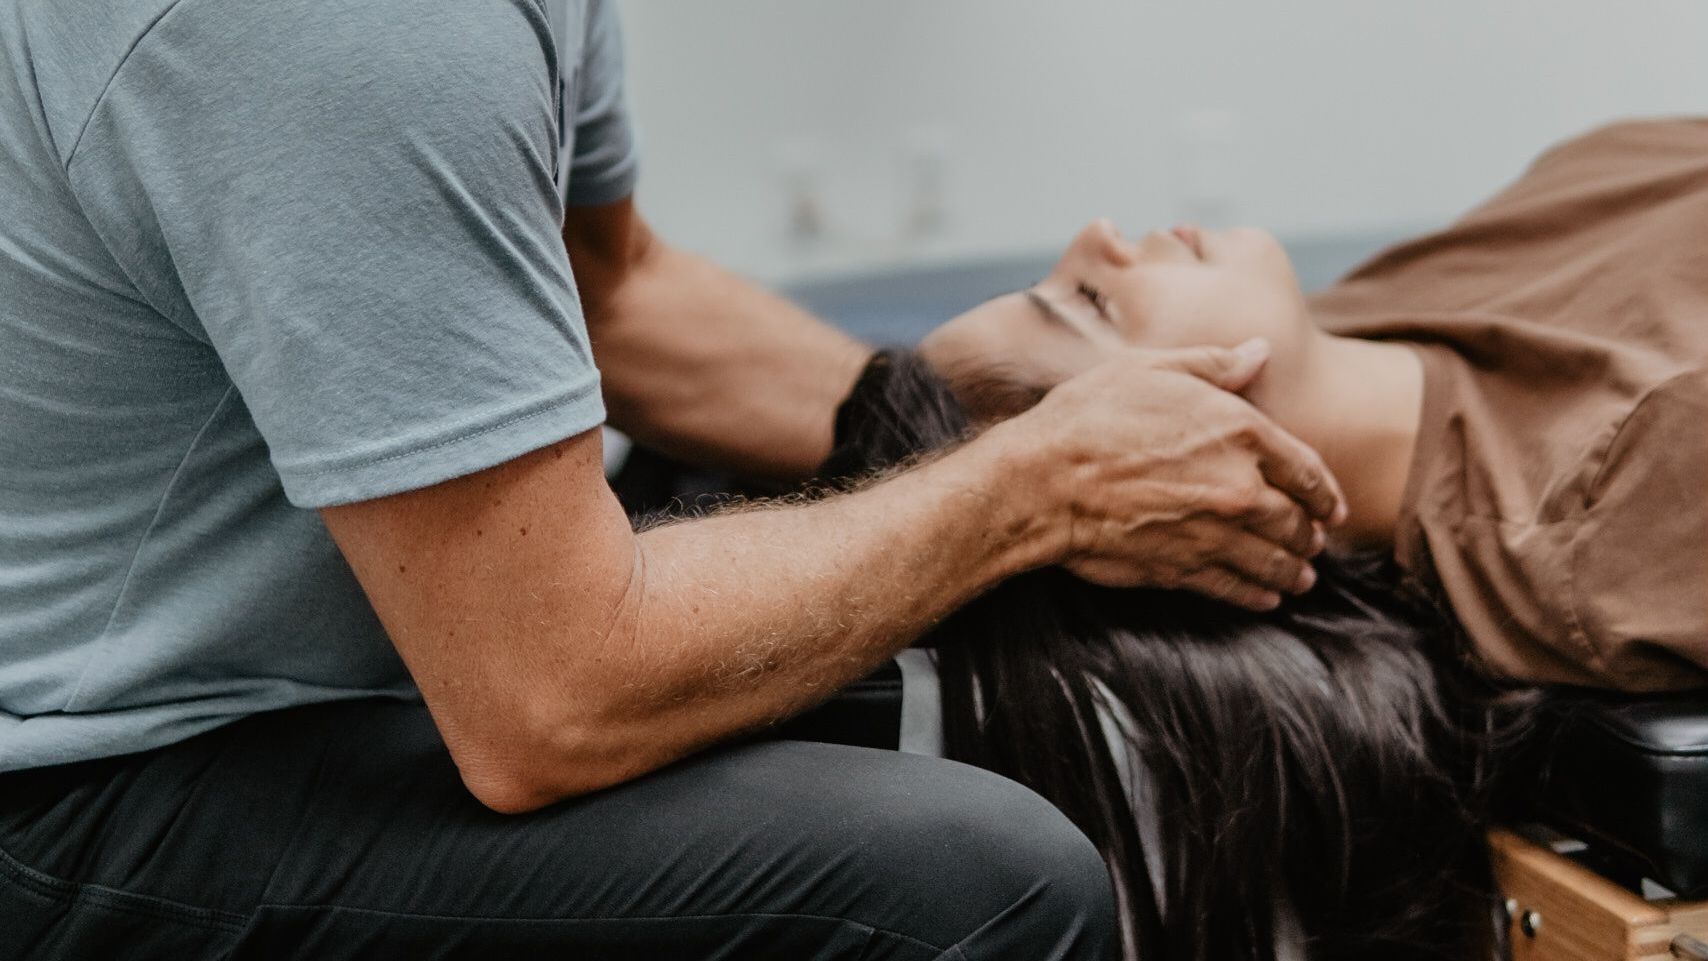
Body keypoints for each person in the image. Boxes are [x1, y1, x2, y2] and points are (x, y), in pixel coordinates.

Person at [0, 0, 1348, 958]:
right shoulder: (355, 32)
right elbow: (548, 699)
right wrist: (1030, 485)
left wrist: (942, 413)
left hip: (314, 664)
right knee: (980, 886)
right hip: (87, 792)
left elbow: (617, 296)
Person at [891, 116, 1708, 960]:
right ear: (1160, 475)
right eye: (1087, 302)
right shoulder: (1637, 497)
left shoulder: (1378, 305)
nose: (1098, 236)